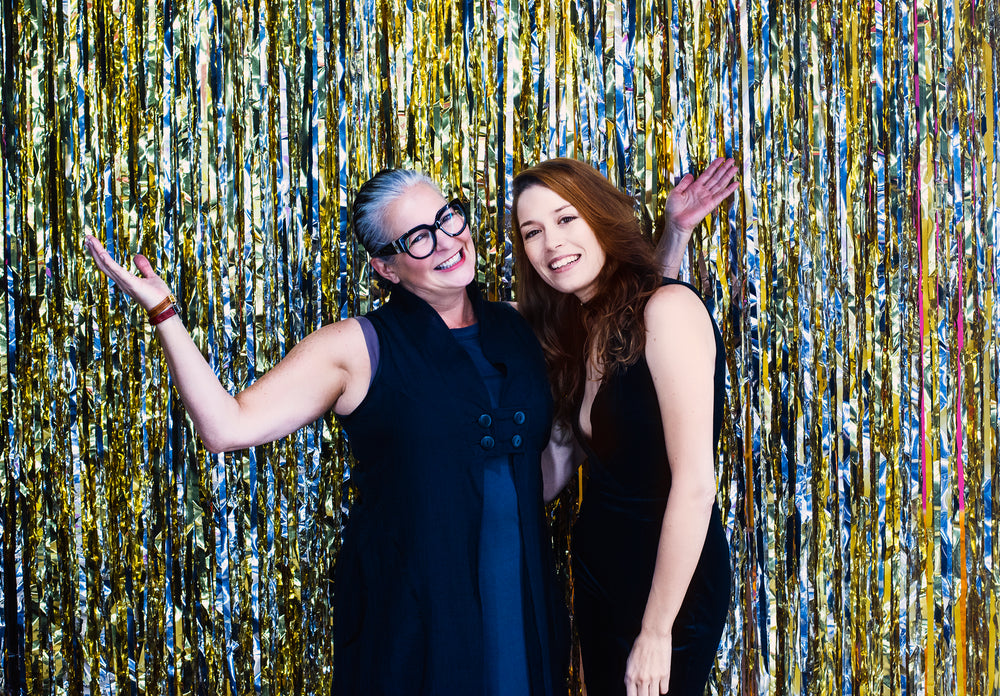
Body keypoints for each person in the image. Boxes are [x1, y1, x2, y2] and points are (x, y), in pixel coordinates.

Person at [84, 159, 735, 695]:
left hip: (525, 599)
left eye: (447, 219)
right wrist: (165, 314)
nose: (447, 242)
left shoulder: (520, 326)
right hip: (418, 608)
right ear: (386, 267)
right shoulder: (356, 346)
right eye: (417, 237)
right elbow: (226, 426)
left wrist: (671, 237)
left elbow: (637, 350)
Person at [511, 157, 736, 696]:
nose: (551, 244)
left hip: (667, 583)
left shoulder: (671, 309)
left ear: (602, 216)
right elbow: (554, 475)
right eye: (532, 232)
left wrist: (656, 631)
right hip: (598, 570)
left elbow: (695, 486)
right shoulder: (581, 330)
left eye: (567, 220)